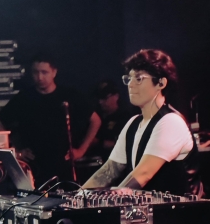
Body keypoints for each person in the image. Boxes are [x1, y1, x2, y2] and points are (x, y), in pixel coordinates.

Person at [83, 49, 200, 195]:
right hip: (148, 209)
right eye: (129, 78)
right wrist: (79, 196)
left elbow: (143, 173)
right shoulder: (133, 123)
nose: (130, 85)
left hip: (180, 208)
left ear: (161, 83)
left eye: (139, 78)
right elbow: (109, 170)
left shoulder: (171, 122)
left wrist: (111, 198)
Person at [0, 54, 101, 185]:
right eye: (35, 72)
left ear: (54, 72)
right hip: (34, 165)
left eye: (44, 72)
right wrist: (13, 150)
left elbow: (95, 120)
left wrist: (82, 150)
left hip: (63, 164)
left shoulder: (69, 95)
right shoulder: (24, 98)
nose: (39, 77)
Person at [88, 79, 132, 161]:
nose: (100, 102)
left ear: (116, 96)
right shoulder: (95, 116)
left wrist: (98, 142)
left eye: (105, 98)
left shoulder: (125, 118)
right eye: (99, 98)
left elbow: (126, 145)